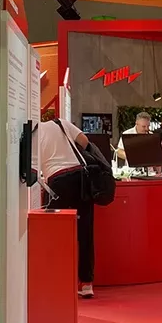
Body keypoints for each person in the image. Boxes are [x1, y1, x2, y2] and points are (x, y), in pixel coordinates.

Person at [39, 118, 94, 299]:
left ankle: (58, 281)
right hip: (81, 177)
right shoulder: (60, 123)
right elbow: (84, 141)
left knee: (56, 234)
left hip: (57, 181)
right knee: (85, 233)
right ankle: (86, 283)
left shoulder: (34, 133)